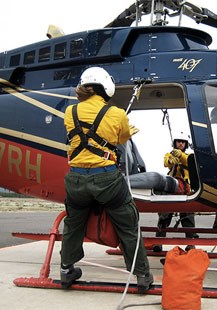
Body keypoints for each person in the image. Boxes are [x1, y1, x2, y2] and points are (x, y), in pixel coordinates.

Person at [60, 66, 153, 293]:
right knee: (128, 224)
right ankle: (142, 275)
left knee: (73, 223)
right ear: (106, 86)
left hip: (76, 181)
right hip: (107, 180)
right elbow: (122, 138)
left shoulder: (69, 112)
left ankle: (66, 270)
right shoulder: (117, 113)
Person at [153, 132, 199, 252]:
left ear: (186, 144)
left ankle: (191, 243)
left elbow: (189, 162)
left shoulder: (190, 157)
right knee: (164, 214)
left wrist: (181, 156)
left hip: (186, 190)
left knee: (188, 216)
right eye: (178, 141)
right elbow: (166, 162)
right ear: (175, 143)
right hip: (173, 188)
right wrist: (171, 160)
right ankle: (159, 242)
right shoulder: (169, 154)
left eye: (183, 142)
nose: (180, 144)